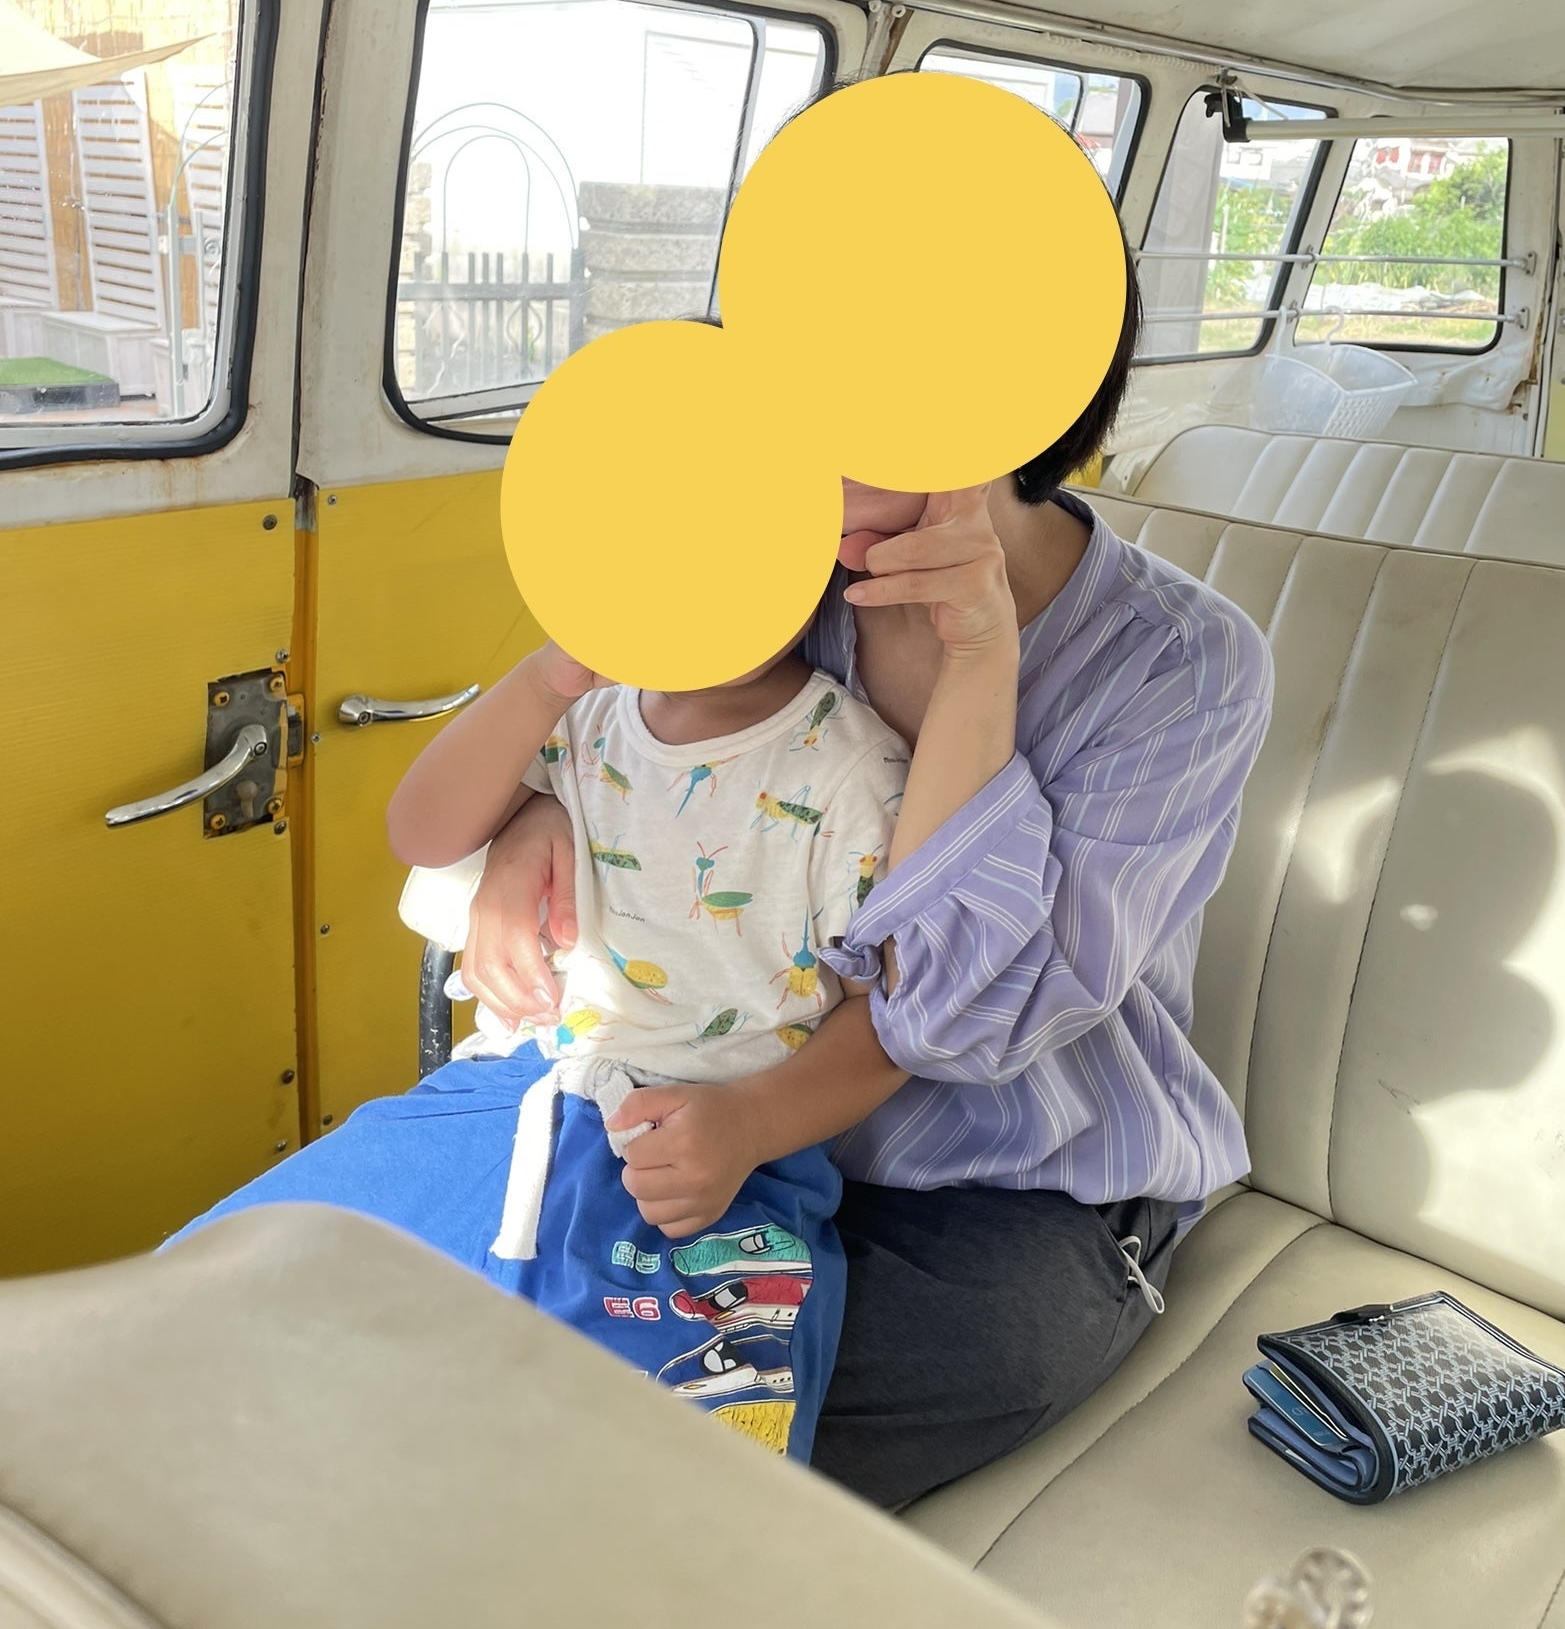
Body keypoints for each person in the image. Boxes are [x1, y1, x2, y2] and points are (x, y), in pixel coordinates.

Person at [459, 248, 1275, 1510]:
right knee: (472, 1316)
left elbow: (951, 1021)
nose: (800, 469)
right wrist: (533, 815)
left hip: (1006, 1185)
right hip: (721, 1114)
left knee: (659, 1419)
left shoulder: (1183, 663)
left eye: (860, 425)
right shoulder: (776, 558)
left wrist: (975, 668)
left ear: (1002, 412)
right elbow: (608, 722)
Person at [172, 586, 1049, 1468]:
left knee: (649, 1465)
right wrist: (547, 679)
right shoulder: (580, 714)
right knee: (216, 1295)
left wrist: (750, 1126)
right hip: (502, 1101)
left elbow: (888, 1017)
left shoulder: (853, 773)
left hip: (704, 1153)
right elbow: (422, 831)